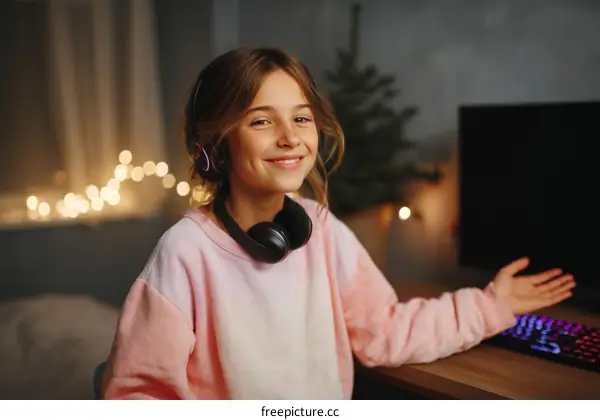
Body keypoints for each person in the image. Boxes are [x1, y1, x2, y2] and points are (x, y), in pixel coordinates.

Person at [100, 47, 575, 400]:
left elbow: (386, 331)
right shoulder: (185, 252)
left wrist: (493, 305)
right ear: (215, 145)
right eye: (262, 122)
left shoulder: (322, 230)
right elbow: (137, 395)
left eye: (301, 118)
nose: (290, 138)